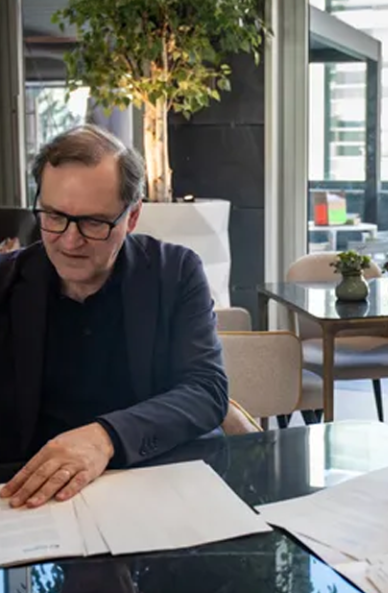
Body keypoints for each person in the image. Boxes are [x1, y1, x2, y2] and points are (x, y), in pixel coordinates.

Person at [0, 125, 228, 508]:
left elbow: (206, 390)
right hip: (29, 495)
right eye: (54, 216)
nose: (70, 241)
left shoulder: (174, 273)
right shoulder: (5, 281)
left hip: (149, 485)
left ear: (132, 216)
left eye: (93, 222)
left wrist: (104, 438)